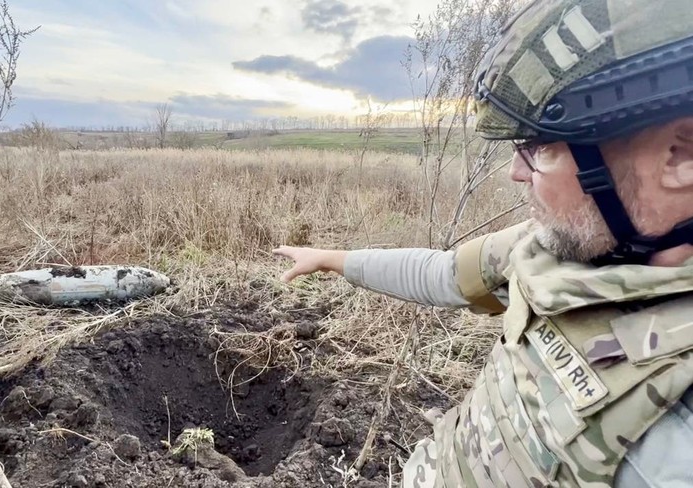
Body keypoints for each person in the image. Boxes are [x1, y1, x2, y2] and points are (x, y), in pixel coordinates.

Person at [274, 1, 693, 486]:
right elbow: (445, 274)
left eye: (543, 148)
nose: (516, 172)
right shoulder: (568, 245)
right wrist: (329, 259)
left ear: (680, 156)